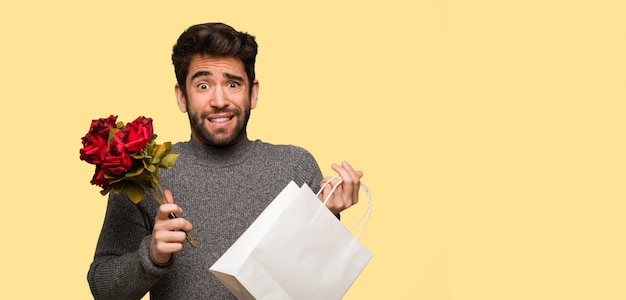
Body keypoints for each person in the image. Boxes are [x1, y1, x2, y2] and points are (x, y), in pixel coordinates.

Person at [87, 22, 363, 299]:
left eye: (233, 84)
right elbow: (102, 288)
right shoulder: (145, 176)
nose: (219, 100)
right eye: (203, 85)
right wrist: (152, 255)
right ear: (182, 96)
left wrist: (327, 217)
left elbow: (314, 283)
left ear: (252, 93)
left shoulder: (295, 166)